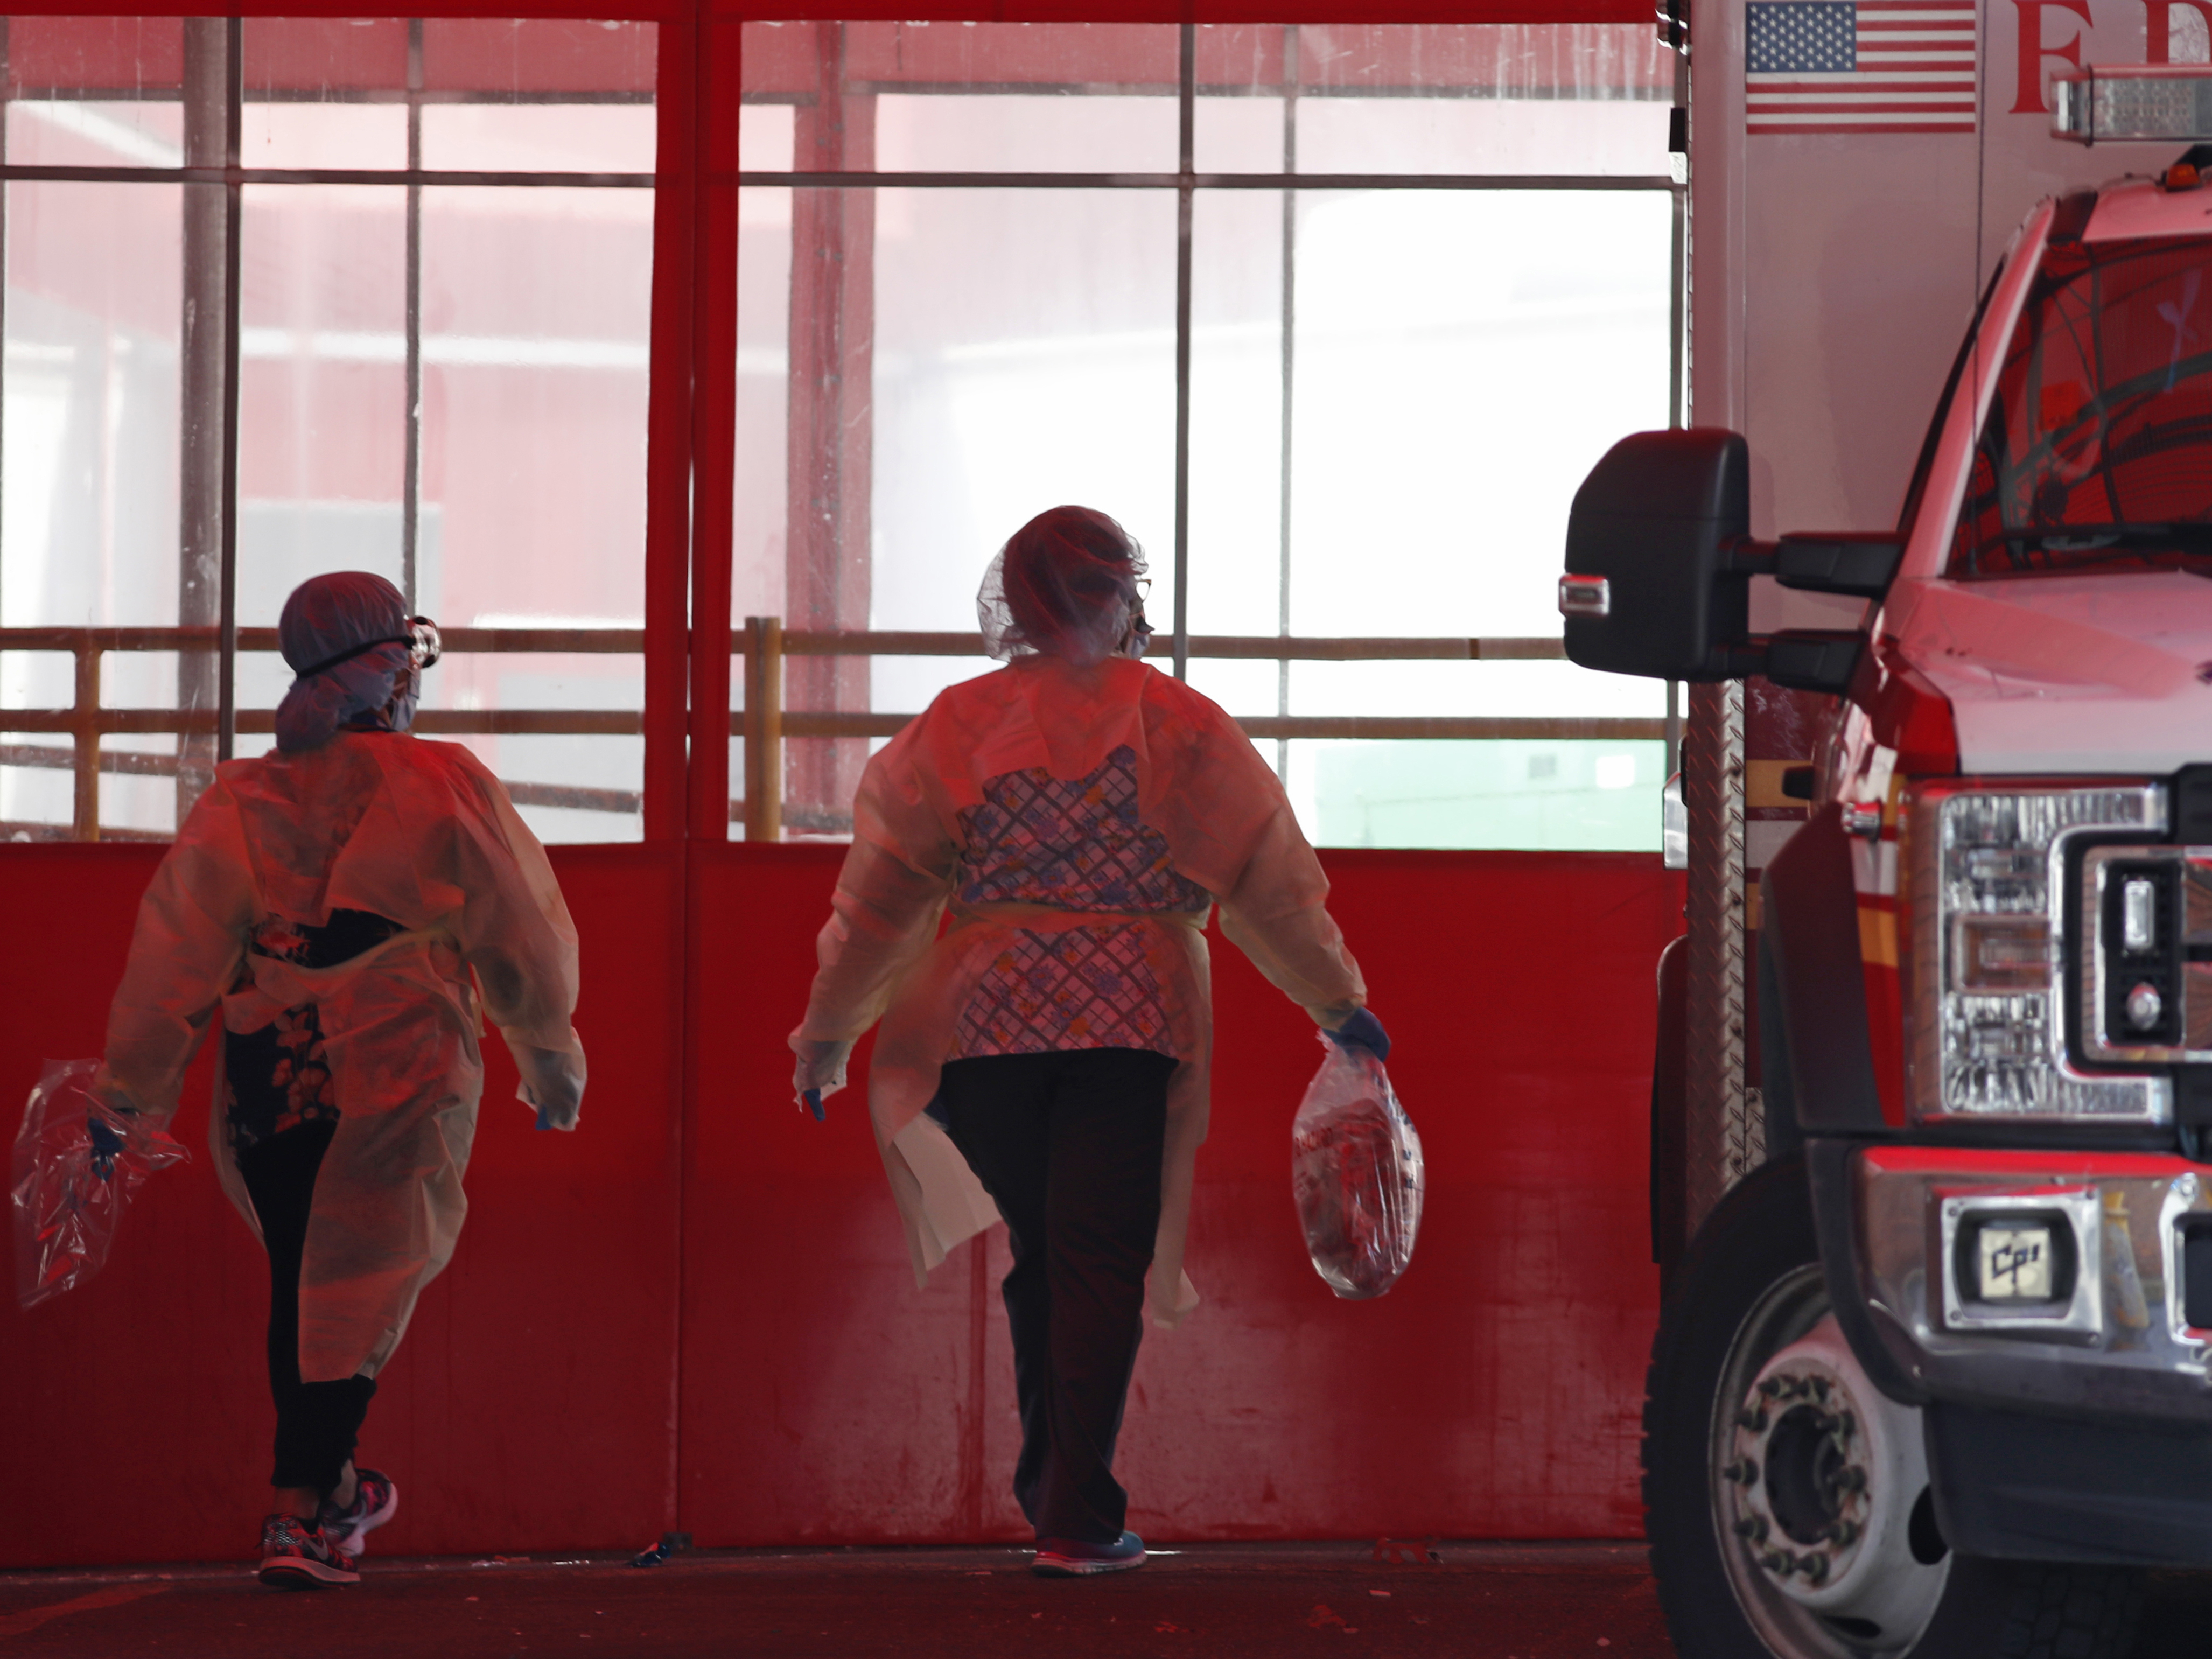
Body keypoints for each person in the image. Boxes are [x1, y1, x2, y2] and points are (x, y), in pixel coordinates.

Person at [789, 506, 1387, 1578]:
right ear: (1121, 595)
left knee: (1044, 1254)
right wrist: (1335, 1000)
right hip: (1127, 1025)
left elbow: (876, 902)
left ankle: (1059, 1496)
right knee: (1097, 1256)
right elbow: (1265, 879)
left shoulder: (956, 725)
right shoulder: (1175, 721)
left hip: (980, 1033)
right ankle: (1075, 1510)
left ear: (1013, 601)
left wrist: (825, 1035)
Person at [94, 572, 587, 1589]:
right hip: (395, 1059)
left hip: (272, 1071)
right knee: (352, 1294)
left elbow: (174, 956)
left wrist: (133, 1092)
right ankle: (296, 1516)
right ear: (392, 665)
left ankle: (338, 1492)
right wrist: (548, 1054)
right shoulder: (442, 781)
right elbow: (523, 935)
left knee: (307, 1288)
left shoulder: (246, 793)